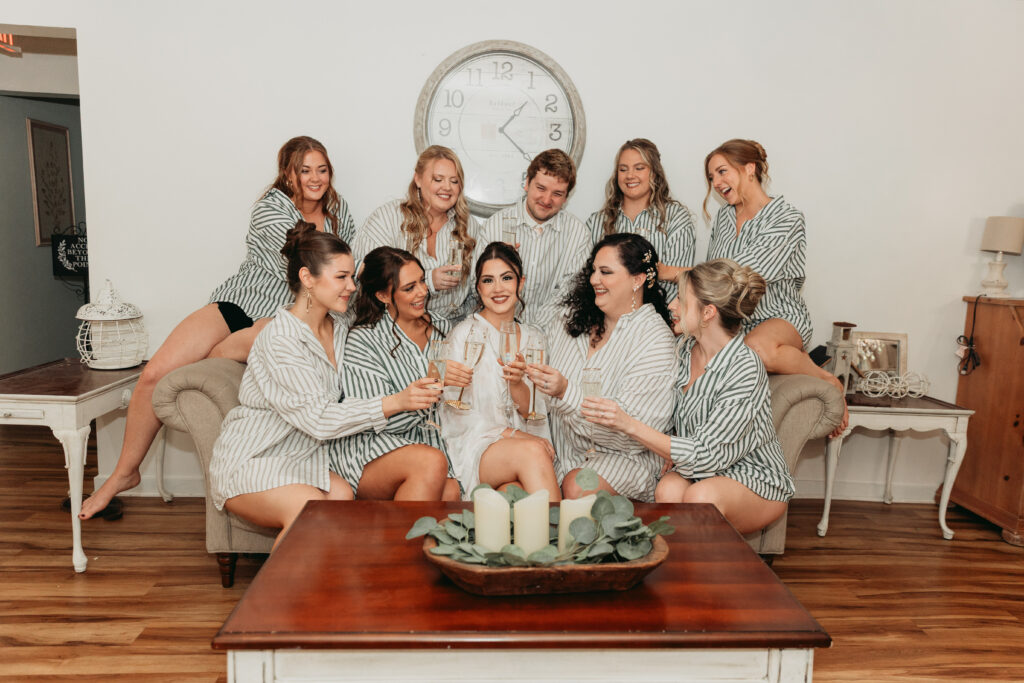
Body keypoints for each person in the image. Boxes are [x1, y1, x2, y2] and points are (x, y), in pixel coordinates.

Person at [81, 136, 355, 520]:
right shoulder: (271, 207)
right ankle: (123, 474)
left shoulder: (341, 215)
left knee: (237, 347)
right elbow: (305, 260)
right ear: (288, 174)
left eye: (322, 170)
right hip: (240, 303)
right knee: (155, 372)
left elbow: (342, 273)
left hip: (280, 316)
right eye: (305, 170)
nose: (315, 178)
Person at [209, 224, 441, 548]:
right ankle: (280, 586)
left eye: (352, 277)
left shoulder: (340, 324)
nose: (351, 287)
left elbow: (382, 291)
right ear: (307, 278)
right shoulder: (281, 341)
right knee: (310, 511)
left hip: (308, 458)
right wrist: (395, 402)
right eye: (341, 277)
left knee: (342, 495)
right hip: (256, 457)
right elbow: (318, 419)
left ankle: (374, 569)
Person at [581, 259, 794, 534]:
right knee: (667, 488)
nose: (672, 306)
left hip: (752, 475)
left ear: (708, 313)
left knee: (700, 497)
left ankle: (706, 560)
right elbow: (668, 412)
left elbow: (705, 455)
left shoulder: (745, 367)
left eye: (681, 300)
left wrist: (628, 424)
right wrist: (671, 444)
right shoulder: (683, 349)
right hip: (700, 468)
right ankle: (689, 559)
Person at [703, 138, 847, 436]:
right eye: (711, 177)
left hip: (780, 315)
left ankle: (827, 379)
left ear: (749, 168)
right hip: (737, 321)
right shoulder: (723, 217)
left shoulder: (787, 217)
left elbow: (744, 274)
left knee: (756, 348)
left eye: (722, 172)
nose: (716, 183)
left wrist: (674, 272)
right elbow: (713, 276)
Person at [525, 233, 677, 502]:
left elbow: (630, 437)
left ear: (637, 280)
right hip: (560, 451)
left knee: (578, 485)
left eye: (605, 272)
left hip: (623, 458)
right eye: (593, 270)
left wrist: (566, 392)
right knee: (511, 483)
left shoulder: (654, 339)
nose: (594, 279)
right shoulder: (571, 318)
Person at [329, 246, 457, 501]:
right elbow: (374, 419)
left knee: (452, 491)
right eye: (409, 288)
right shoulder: (364, 340)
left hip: (431, 442)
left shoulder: (442, 327)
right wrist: (432, 390)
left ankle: (394, 528)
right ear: (383, 295)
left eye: (422, 280)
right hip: (373, 446)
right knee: (430, 462)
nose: (422, 291)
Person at [442, 242, 560, 498]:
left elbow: (535, 413)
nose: (498, 288)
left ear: (521, 282)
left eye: (506, 278)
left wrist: (517, 385)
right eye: (488, 280)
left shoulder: (535, 338)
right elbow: (455, 413)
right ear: (478, 288)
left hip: (525, 450)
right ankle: (565, 525)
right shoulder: (464, 335)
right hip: (478, 446)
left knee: (514, 495)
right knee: (533, 454)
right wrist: (517, 436)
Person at [352, 145, 477, 323]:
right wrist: (427, 280)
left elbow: (478, 286)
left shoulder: (468, 226)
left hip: (451, 327)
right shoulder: (389, 217)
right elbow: (365, 272)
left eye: (454, 181)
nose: (447, 187)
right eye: (438, 179)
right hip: (392, 325)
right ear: (417, 179)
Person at [470, 149, 591, 330]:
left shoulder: (579, 234)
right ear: (527, 183)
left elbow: (570, 296)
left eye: (557, 194)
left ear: (566, 197)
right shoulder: (496, 225)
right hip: (497, 330)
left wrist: (532, 334)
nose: (546, 200)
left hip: (551, 334)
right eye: (541, 188)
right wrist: (497, 263)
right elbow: (475, 288)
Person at [585, 138, 695, 301]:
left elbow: (680, 282)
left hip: (660, 312)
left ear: (654, 172)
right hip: (606, 313)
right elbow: (587, 279)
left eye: (639, 168)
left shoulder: (675, 218)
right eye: (623, 169)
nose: (630, 175)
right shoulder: (597, 222)